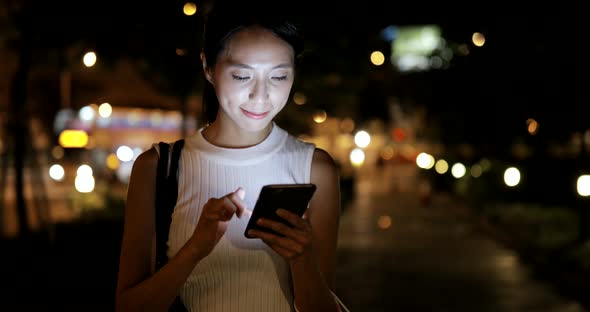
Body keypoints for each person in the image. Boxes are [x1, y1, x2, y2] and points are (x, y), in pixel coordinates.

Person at [115, 1, 342, 311]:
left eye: (278, 77)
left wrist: (301, 258)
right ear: (208, 67)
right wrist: (195, 249)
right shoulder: (158, 168)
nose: (261, 96)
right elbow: (128, 307)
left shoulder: (316, 169)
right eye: (241, 76)